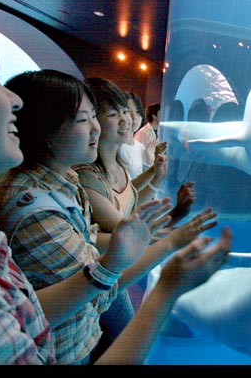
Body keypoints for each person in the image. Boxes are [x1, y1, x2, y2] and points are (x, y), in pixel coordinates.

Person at [0, 61, 230, 364]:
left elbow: (88, 239)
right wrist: (168, 254)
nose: (101, 125)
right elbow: (97, 284)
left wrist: (158, 228)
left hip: (79, 335)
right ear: (45, 129)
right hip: (65, 351)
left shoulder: (64, 180)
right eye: (86, 119)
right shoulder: (38, 207)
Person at [73, 77, 206, 360]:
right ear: (93, 122)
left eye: (126, 111)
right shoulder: (87, 175)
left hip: (112, 274)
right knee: (125, 342)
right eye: (113, 113)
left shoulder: (116, 163)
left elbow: (130, 205)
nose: (126, 119)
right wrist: (172, 226)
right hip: (101, 277)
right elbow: (124, 230)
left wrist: (169, 202)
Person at [134, 102, 161, 169]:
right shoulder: (142, 133)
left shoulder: (162, 131)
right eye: (161, 113)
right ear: (154, 116)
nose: (164, 116)